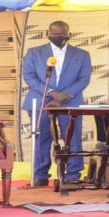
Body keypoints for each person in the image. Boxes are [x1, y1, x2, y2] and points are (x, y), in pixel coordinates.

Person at [22, 20, 91, 186]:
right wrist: (52, 93)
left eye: (62, 34)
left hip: (70, 102)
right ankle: (40, 175)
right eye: (54, 34)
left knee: (72, 138)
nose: (58, 37)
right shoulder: (34, 52)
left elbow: (84, 78)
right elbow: (29, 76)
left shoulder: (82, 54)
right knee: (41, 138)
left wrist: (66, 95)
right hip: (41, 101)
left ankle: (73, 174)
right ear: (48, 34)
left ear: (69, 35)